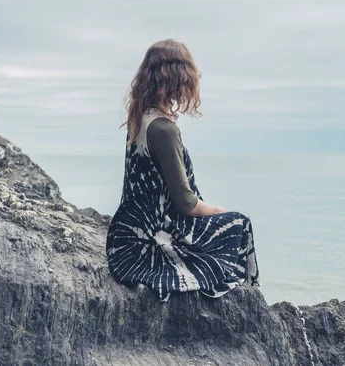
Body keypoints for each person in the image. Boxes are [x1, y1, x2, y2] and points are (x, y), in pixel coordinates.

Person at [105, 38, 260, 302]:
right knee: (240, 222)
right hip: (156, 237)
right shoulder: (164, 129)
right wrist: (219, 210)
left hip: (127, 234)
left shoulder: (141, 119)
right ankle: (250, 299)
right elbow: (186, 203)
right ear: (178, 78)